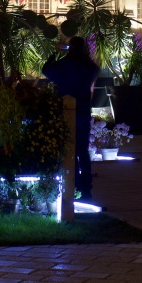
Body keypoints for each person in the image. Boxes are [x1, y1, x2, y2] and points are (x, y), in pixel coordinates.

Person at [42, 36, 101, 201]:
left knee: (68, 150)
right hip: (83, 110)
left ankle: (72, 185)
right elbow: (95, 70)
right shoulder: (89, 66)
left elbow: (46, 70)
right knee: (82, 150)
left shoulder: (64, 65)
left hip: (67, 110)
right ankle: (86, 189)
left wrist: (56, 54)